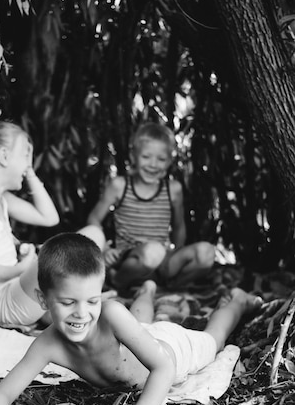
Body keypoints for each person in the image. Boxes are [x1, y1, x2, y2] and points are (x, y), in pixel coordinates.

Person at [0, 233, 261, 405]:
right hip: (138, 338)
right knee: (139, 325)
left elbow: (164, 367)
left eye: (92, 301)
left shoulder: (111, 313)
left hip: (172, 351)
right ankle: (147, 292)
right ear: (43, 300)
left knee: (214, 340)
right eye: (68, 303)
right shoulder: (47, 344)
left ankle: (238, 302)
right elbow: (3, 393)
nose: (81, 313)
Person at [0, 120, 104, 327]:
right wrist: (24, 266)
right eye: (25, 156)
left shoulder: (0, 199)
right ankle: (83, 302)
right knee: (66, 251)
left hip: (19, 289)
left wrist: (29, 172)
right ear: (4, 156)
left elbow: (49, 218)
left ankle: (73, 306)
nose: (29, 164)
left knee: (93, 234)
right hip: (2, 302)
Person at [87, 122, 216, 291]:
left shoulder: (173, 189)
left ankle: (170, 287)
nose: (153, 164)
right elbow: (94, 218)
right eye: (146, 157)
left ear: (169, 161)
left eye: (161, 159)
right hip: (130, 260)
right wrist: (104, 249)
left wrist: (175, 254)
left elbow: (179, 227)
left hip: (162, 260)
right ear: (133, 157)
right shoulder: (120, 185)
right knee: (152, 252)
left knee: (206, 253)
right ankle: (117, 282)